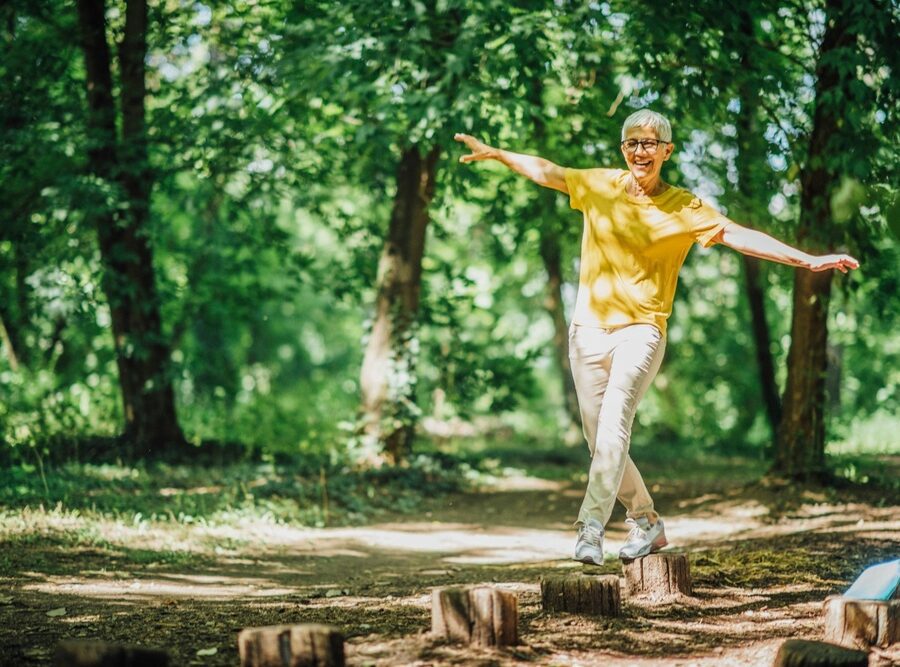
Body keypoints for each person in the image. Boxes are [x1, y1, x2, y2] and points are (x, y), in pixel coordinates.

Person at [454, 109, 859, 564]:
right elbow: (548, 170)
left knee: (614, 426)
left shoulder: (685, 207)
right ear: (622, 149)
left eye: (648, 143)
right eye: (631, 143)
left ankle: (590, 528)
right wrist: (497, 154)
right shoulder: (599, 185)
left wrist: (807, 261)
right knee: (600, 441)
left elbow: (740, 235)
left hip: (641, 331)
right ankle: (647, 522)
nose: (639, 151)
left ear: (667, 150)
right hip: (586, 331)